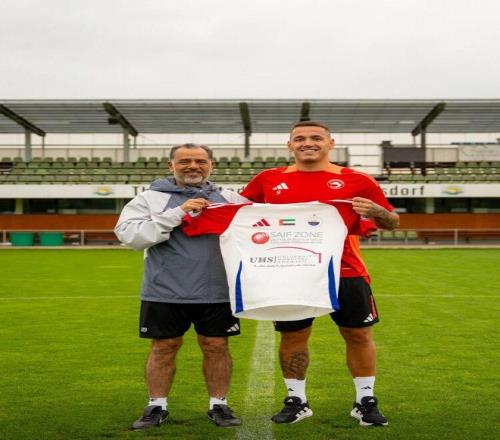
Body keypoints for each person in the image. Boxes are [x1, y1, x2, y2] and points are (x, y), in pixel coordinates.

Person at [241, 121, 399, 426]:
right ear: (290, 145)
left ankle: (365, 400)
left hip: (346, 270)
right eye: (299, 138)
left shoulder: (357, 180)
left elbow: (392, 222)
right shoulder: (268, 180)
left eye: (316, 137)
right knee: (293, 335)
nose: (308, 143)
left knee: (358, 334)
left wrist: (377, 211)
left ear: (330, 143)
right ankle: (297, 401)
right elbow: (240, 215)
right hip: (290, 273)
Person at [114, 143, 247, 430]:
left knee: (216, 346)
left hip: (217, 291)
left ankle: (219, 404)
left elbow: (258, 227)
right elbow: (130, 236)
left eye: (200, 161)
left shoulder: (230, 198)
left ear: (211, 165)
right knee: (164, 347)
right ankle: (156, 406)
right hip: (164, 289)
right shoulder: (150, 198)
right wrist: (178, 213)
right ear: (170, 165)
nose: (193, 166)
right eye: (185, 161)